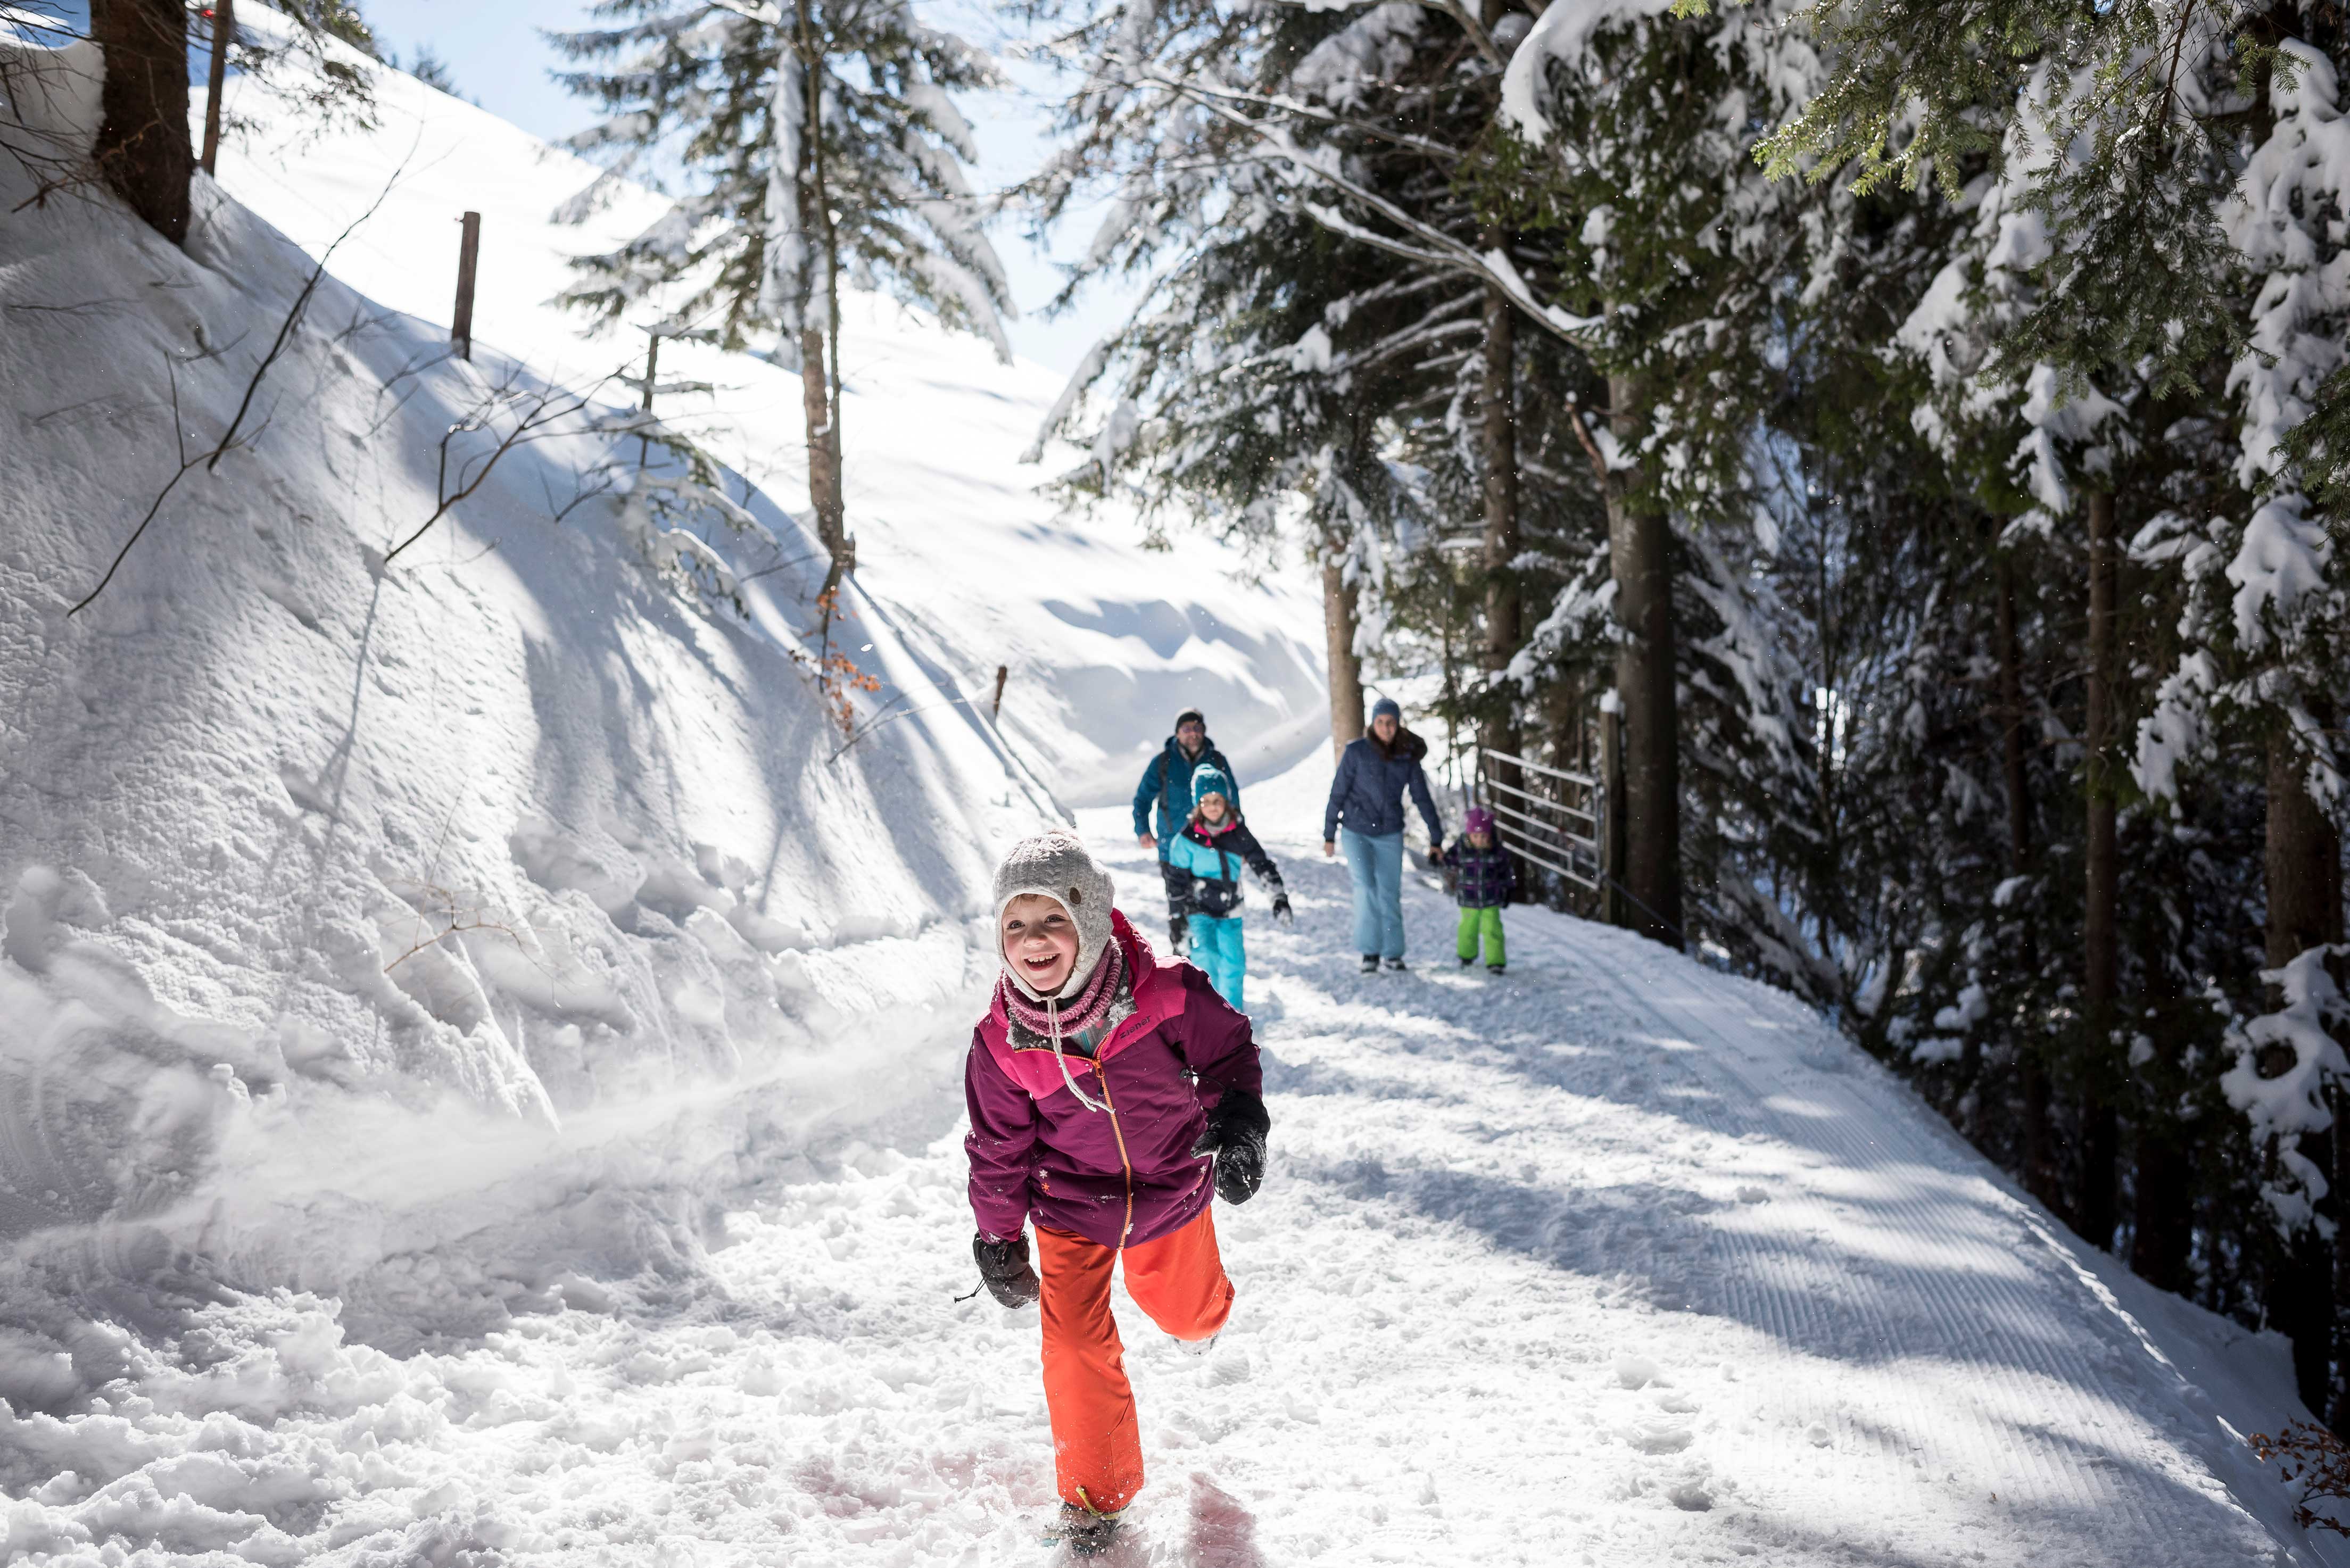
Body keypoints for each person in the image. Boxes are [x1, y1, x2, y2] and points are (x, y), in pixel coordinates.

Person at [964, 832, 1271, 1558]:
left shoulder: (1165, 993)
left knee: (1188, 1314)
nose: (1033, 941)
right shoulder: (1004, 1041)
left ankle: (1204, 1313)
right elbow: (998, 1147)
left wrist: (1239, 1123)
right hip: (1071, 1209)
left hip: (1172, 1187)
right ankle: (1093, 1500)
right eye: (1016, 924)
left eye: (1052, 921)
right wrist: (998, 1233)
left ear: (1092, 921)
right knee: (1071, 1342)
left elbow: (1229, 1051)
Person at [1321, 696, 1444, 973]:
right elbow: (1338, 792)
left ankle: (1393, 953)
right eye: (1380, 722)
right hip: (1356, 831)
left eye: (1391, 722)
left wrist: (1436, 838)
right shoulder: (1356, 752)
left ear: (1398, 725)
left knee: (1389, 892)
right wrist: (1329, 834)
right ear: (1372, 723)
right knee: (1365, 888)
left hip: (1390, 832)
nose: (1386, 728)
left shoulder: (1407, 757)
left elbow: (1422, 798)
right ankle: (1370, 952)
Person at [1164, 763, 1292, 1011]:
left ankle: (1233, 1016)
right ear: (1198, 805)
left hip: (1231, 909)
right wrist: (1177, 919)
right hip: (1198, 909)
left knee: (1234, 964)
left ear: (1227, 802)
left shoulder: (1238, 834)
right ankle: (1208, 1016)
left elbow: (1262, 864)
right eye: (1206, 801)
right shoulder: (1187, 840)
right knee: (1207, 959)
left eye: (1218, 800)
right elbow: (1176, 883)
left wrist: (1278, 897)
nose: (1213, 806)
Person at [1131, 709, 1237, 956]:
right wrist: (1143, 830)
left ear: (1204, 731)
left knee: (1210, 906)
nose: (1193, 734)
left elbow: (1233, 801)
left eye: (1197, 728)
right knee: (1178, 907)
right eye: (1187, 729)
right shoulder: (1163, 762)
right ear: (1177, 733)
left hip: (1211, 850)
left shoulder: (1217, 761)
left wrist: (1236, 839)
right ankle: (1183, 961)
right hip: (1173, 848)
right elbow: (1142, 799)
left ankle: (1210, 960)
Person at [1443, 806, 1517, 974]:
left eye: (1484, 836)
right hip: (1468, 899)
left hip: (1491, 899)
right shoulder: (1461, 847)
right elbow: (1449, 861)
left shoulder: (1497, 851)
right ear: (1469, 834)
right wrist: (1440, 859)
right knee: (1468, 929)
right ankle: (1466, 956)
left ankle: (1496, 962)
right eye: (1475, 836)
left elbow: (1507, 872)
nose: (1480, 840)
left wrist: (1509, 889)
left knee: (1493, 930)